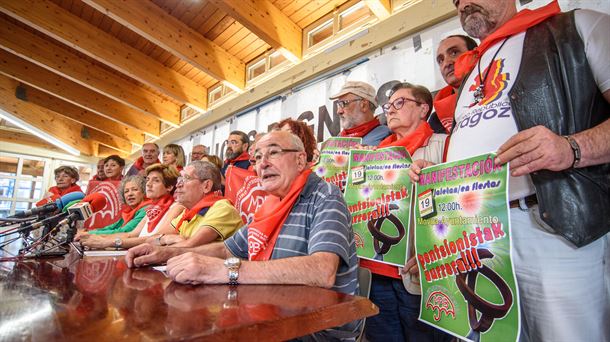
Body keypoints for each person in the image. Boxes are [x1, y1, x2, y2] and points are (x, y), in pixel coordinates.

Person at [409, 1, 609, 341]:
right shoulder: (472, 70)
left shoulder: (576, 28)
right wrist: (443, 176)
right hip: (477, 235)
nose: (464, 3)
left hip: (554, 229)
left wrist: (572, 148)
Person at [125, 131, 360, 341]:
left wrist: (225, 270)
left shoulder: (324, 196)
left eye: (273, 153)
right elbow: (226, 249)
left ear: (300, 160)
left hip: (317, 327)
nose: (263, 164)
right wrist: (167, 254)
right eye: (257, 157)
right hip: (273, 314)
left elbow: (322, 270)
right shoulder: (271, 205)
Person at [362, 82, 450, 342]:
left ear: (424, 109)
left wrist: (434, 256)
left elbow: (461, 208)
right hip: (375, 272)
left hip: (420, 274)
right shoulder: (373, 157)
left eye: (400, 103)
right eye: (388, 105)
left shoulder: (444, 145)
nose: (390, 109)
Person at [80, 164, 184, 250]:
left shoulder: (176, 207)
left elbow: (156, 239)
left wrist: (108, 242)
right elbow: (131, 235)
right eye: (148, 179)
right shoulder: (152, 209)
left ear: (169, 187)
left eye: (156, 180)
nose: (148, 184)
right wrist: (92, 237)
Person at [156, 160, 242, 248]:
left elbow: (189, 246)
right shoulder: (189, 211)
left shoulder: (222, 208)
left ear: (206, 186)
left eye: (186, 178)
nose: (178, 184)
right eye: (180, 179)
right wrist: (164, 239)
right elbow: (154, 238)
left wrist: (161, 242)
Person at [431, 34, 478, 133]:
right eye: (441, 60)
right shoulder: (436, 120)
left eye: (454, 53)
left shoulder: (502, 91)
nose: (446, 63)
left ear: (475, 55)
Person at [81, 175, 149, 235]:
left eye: (134, 190)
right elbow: (113, 227)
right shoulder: (128, 212)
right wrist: (90, 231)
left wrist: (89, 233)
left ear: (144, 192)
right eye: (126, 191)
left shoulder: (146, 209)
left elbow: (124, 231)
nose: (130, 194)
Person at [329, 80, 391, 146]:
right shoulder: (337, 140)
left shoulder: (387, 136)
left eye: (344, 103)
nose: (339, 111)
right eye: (338, 105)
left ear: (364, 105)